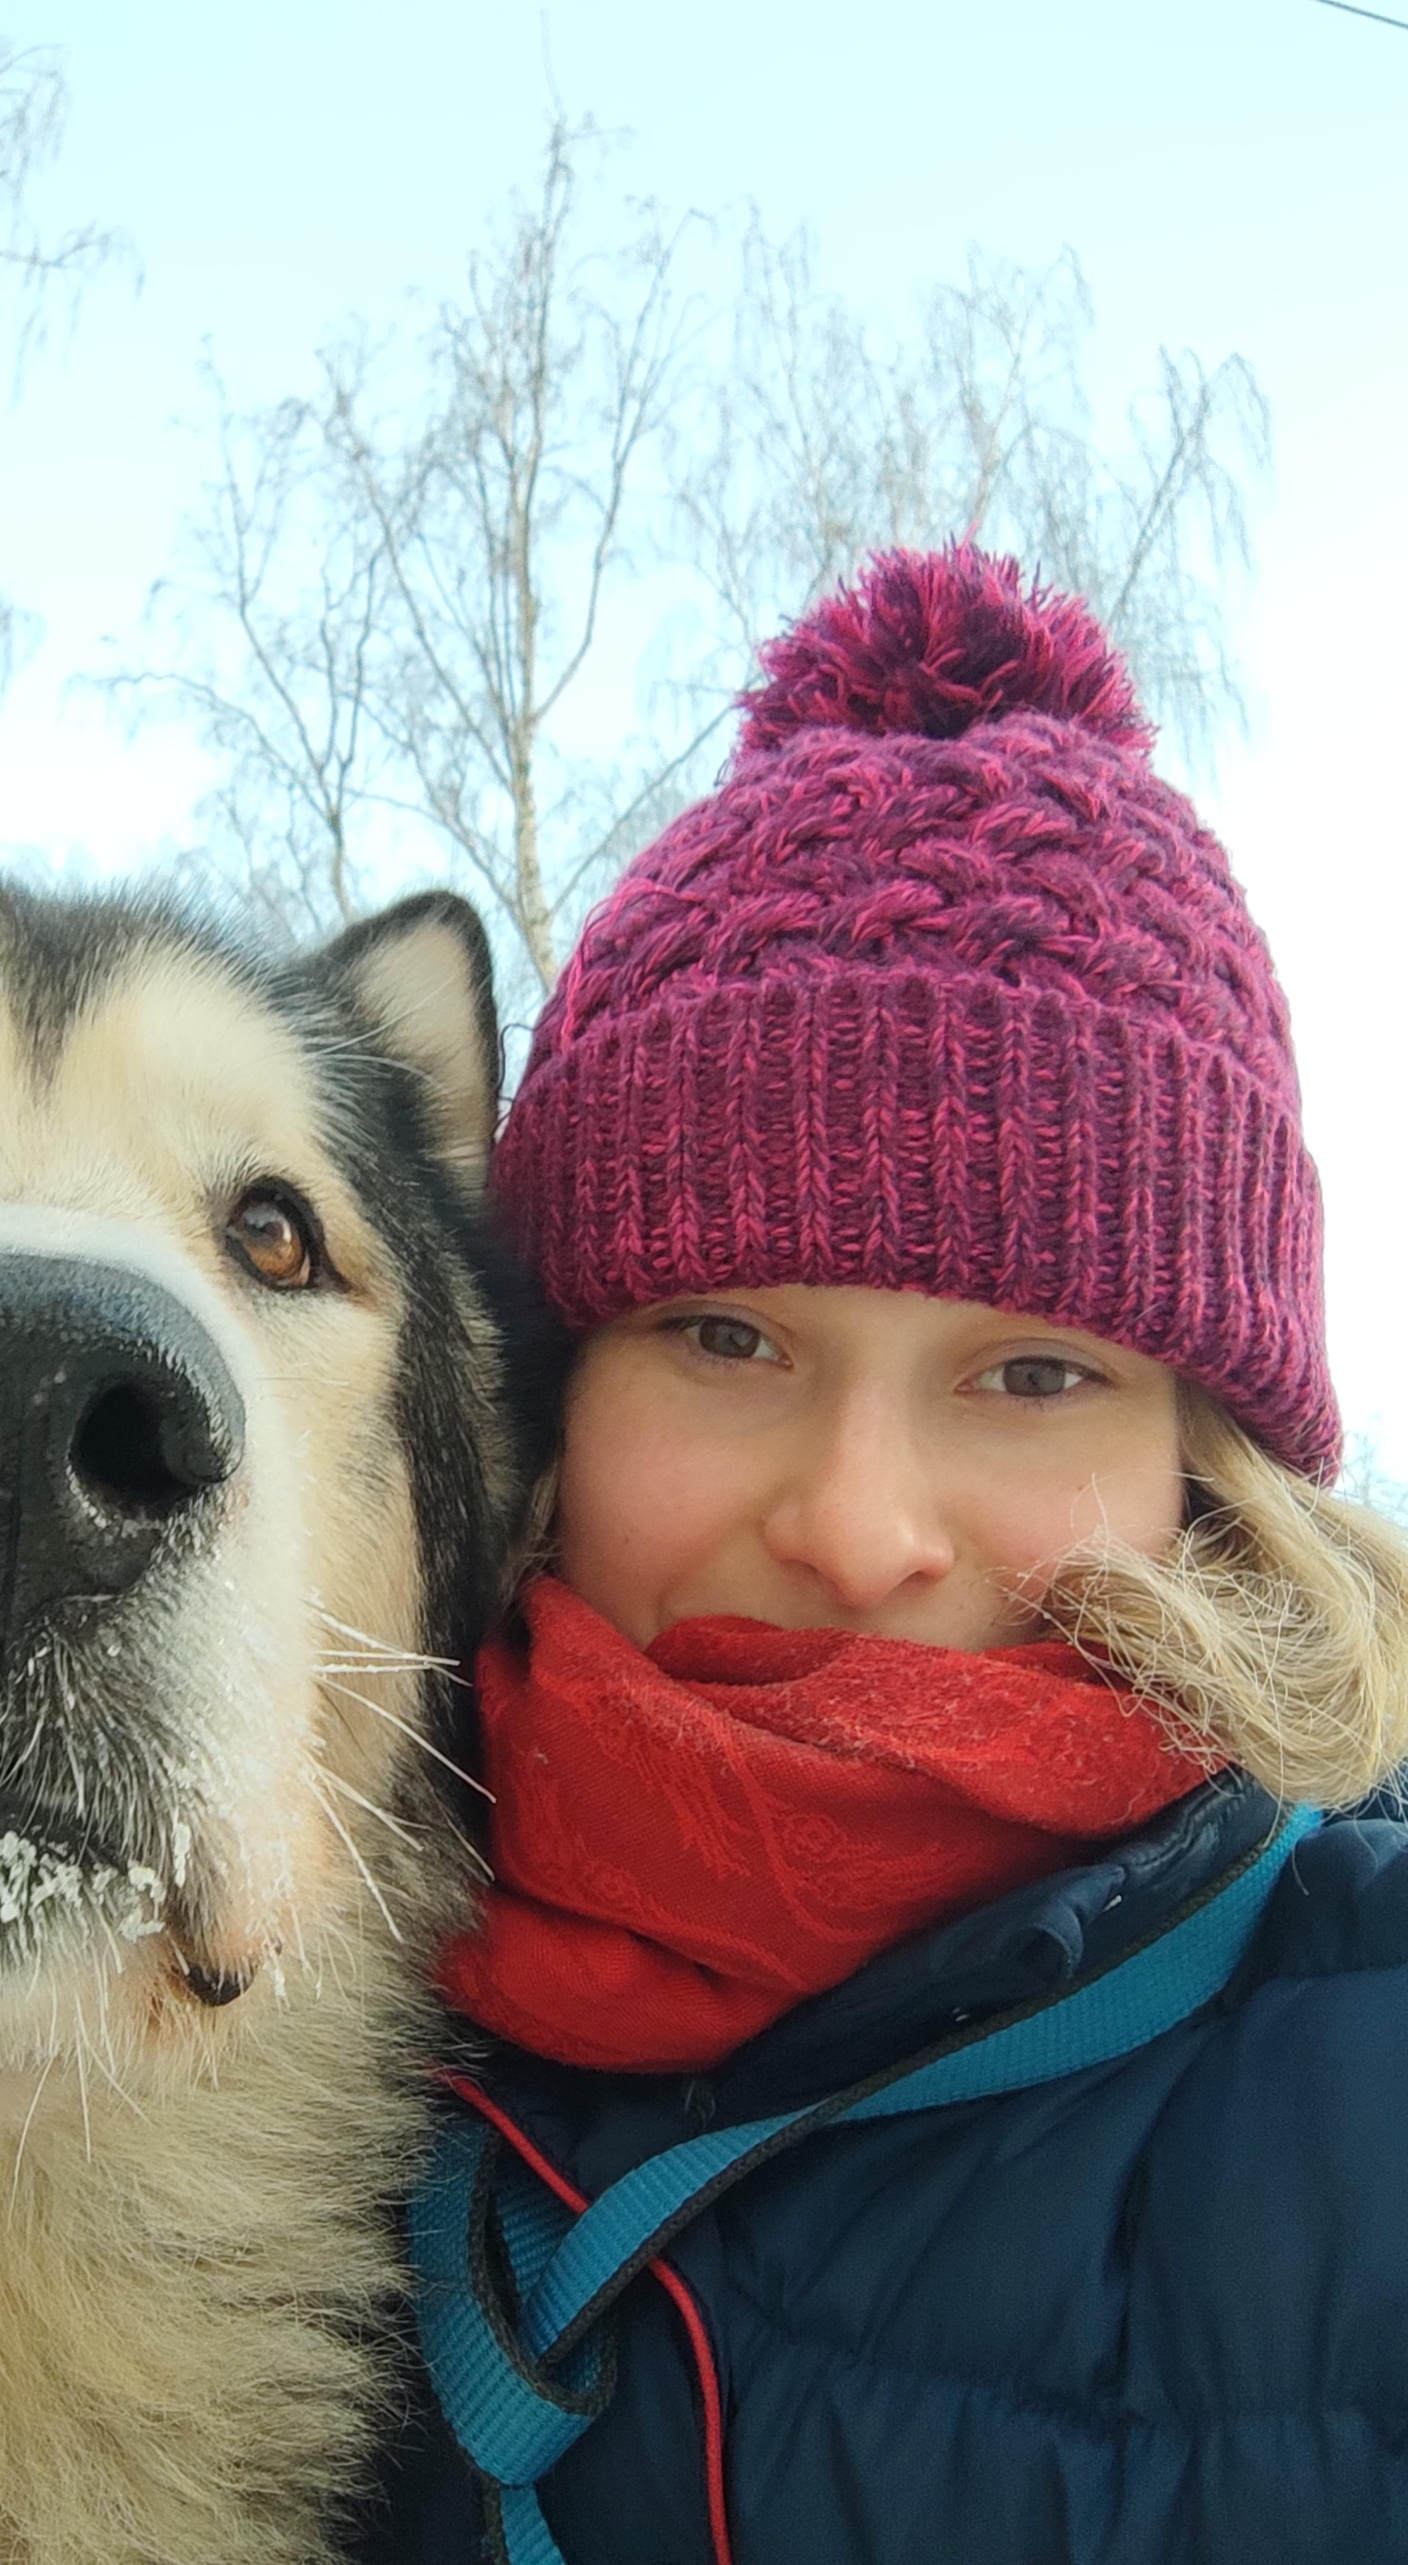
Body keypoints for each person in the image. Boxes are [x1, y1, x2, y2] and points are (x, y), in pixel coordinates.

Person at [355, 545, 1408, 2565]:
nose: (854, 1525)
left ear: (1209, 1454)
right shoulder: (255, 1973)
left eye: (1027, 1372)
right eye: (728, 1337)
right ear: (555, 1385)